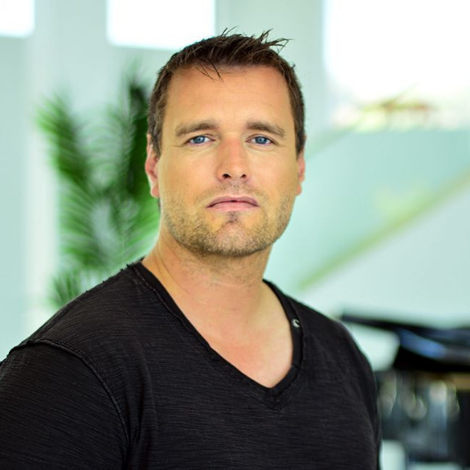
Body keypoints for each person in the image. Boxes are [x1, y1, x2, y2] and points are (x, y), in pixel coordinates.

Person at [0, 32, 381, 468]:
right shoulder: (68, 372)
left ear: (298, 166)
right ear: (153, 166)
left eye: (261, 138)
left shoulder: (341, 356)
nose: (234, 167)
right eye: (201, 138)